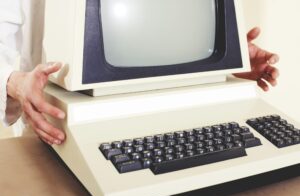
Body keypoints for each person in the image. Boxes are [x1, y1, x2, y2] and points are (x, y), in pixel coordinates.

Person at [0, 1, 279, 145]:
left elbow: (164, 23)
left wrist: (232, 57)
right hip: (58, 130)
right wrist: (14, 82)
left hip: (167, 126)